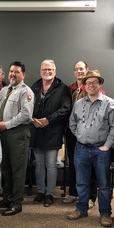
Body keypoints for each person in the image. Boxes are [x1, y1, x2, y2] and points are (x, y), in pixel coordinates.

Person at [67, 70, 114, 228]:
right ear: (84, 85)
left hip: (101, 150)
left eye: (94, 82)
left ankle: (105, 213)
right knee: (81, 182)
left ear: (100, 84)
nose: (91, 85)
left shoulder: (110, 104)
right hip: (81, 148)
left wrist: (107, 146)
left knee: (103, 184)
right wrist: (80, 136)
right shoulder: (78, 103)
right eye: (88, 82)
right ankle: (81, 208)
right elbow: (72, 123)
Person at [0, 61, 34, 216]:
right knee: (6, 168)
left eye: (16, 72)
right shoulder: (4, 90)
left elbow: (26, 115)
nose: (13, 74)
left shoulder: (26, 91)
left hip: (18, 134)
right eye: (11, 71)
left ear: (23, 74)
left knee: (17, 170)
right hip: (2, 134)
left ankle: (16, 203)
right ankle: (7, 198)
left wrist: (6, 125)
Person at [30, 59, 71, 207]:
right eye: (44, 70)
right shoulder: (34, 87)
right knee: (39, 165)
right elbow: (27, 106)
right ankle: (40, 192)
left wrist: (48, 119)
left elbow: (66, 108)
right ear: (40, 71)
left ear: (55, 71)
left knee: (51, 165)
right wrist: (32, 119)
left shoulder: (62, 88)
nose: (47, 72)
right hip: (36, 131)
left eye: (50, 70)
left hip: (53, 131)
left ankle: (49, 194)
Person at [63, 60, 99, 209]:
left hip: (88, 132)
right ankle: (73, 192)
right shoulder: (70, 88)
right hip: (72, 132)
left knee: (89, 165)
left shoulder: (92, 87)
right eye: (76, 69)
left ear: (87, 70)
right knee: (73, 163)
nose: (79, 71)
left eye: (81, 69)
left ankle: (91, 196)